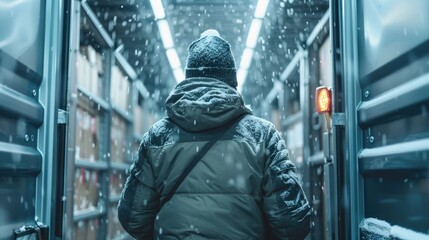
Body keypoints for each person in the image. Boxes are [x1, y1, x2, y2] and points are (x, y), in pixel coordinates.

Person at [118, 29, 311, 240]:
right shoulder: (262, 136)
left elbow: (132, 218)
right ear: (231, 81)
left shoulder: (157, 138)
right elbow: (293, 223)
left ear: (189, 78)